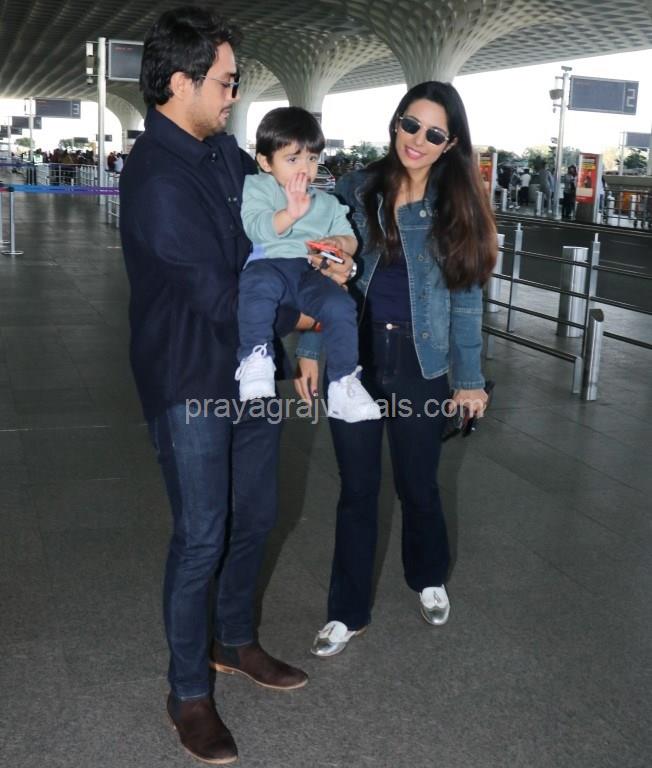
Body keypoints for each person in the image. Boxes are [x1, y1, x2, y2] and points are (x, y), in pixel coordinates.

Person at [119, 7, 309, 765]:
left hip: (251, 368)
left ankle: (232, 640)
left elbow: (267, 241)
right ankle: (187, 690)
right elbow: (222, 297)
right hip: (192, 376)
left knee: (254, 515)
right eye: (226, 82)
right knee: (202, 534)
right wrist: (306, 314)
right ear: (180, 82)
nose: (235, 95)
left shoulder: (223, 153)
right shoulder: (156, 178)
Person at [294, 81, 496, 657]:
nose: (417, 139)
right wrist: (309, 350)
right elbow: (320, 275)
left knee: (418, 484)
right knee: (357, 490)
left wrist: (469, 381)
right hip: (352, 357)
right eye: (411, 124)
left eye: (434, 133)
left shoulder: (457, 205)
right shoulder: (356, 189)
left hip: (421, 362)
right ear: (396, 122)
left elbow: (466, 300)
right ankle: (346, 611)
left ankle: (427, 576)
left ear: (450, 143)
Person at [236, 106, 381, 422]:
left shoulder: (327, 202)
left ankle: (343, 382)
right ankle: (256, 358)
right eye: (292, 159)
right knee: (256, 289)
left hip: (309, 271)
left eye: (312, 159)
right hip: (269, 264)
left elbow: (351, 239)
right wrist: (290, 213)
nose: (305, 169)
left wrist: (339, 244)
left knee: (340, 305)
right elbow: (255, 228)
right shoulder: (259, 187)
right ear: (265, 162)